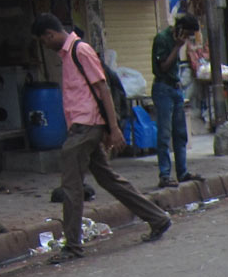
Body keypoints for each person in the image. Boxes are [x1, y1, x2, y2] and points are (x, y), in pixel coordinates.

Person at [31, 14, 171, 263]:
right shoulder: (69, 54)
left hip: (86, 126)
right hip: (84, 126)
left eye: (44, 40)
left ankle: (72, 245)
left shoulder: (80, 50)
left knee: (71, 186)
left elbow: (102, 89)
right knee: (108, 179)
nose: (46, 45)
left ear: (50, 34)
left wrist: (113, 128)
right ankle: (157, 217)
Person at [149, 12, 200, 188]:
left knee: (180, 133)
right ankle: (164, 174)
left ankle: (182, 172)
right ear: (179, 28)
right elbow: (163, 66)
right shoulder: (163, 39)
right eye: (186, 34)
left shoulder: (177, 40)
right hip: (163, 88)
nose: (186, 38)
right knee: (164, 133)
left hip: (175, 88)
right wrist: (177, 47)